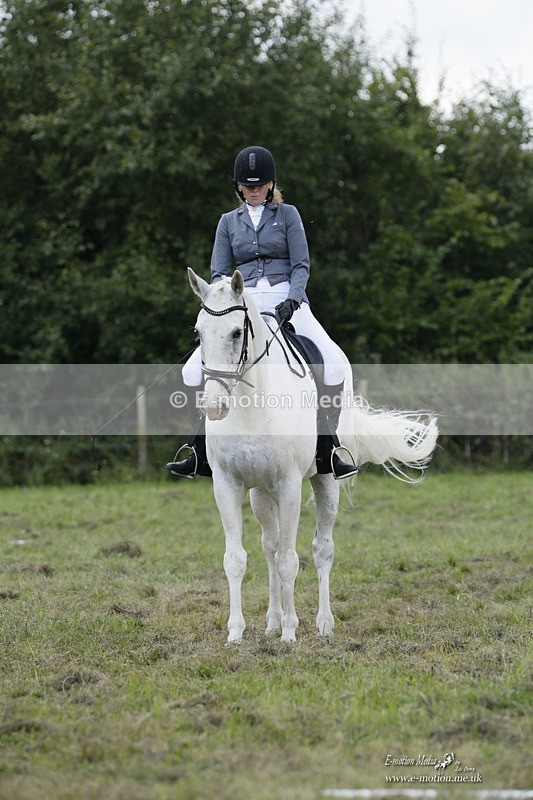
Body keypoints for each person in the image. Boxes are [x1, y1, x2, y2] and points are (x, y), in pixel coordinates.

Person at [167, 145, 357, 480]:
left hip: (287, 299)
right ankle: (199, 449)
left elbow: (301, 265)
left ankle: (328, 449)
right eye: (248, 186)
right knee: (190, 372)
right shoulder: (228, 222)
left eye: (260, 185)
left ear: (270, 185)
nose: (254, 191)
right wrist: (225, 304)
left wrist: (293, 300)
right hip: (243, 303)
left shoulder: (288, 215)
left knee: (333, 365)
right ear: (239, 187)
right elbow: (217, 273)